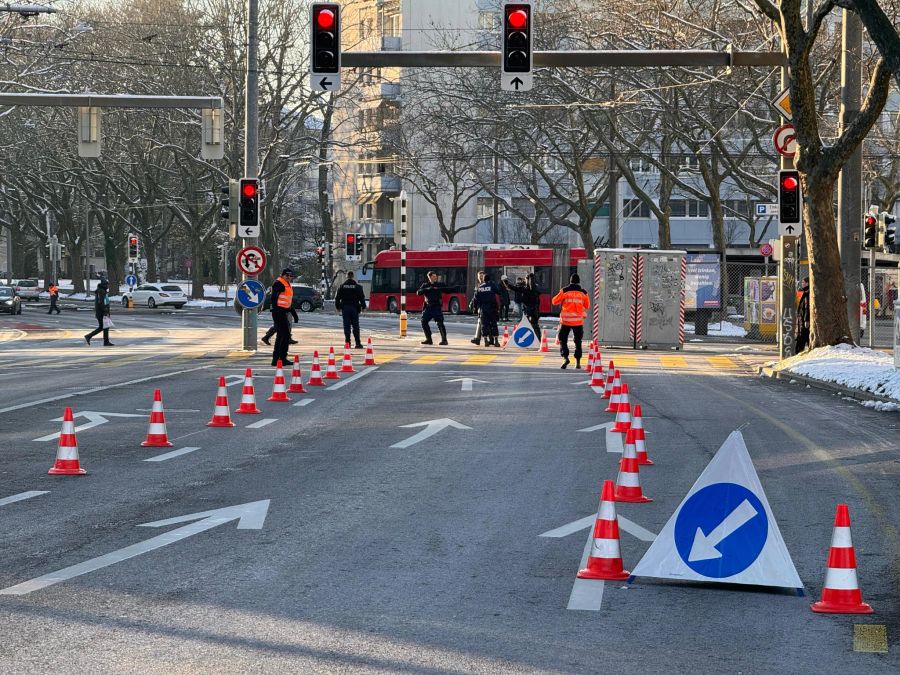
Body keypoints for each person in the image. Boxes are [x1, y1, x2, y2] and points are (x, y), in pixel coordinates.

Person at [551, 273, 590, 369]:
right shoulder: (583, 293)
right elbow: (587, 306)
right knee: (578, 341)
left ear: (570, 281)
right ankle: (578, 362)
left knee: (562, 339)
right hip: (578, 321)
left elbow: (554, 301)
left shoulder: (564, 291)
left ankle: (565, 358)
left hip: (566, 321)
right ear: (579, 281)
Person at [270, 268, 298, 367]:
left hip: (283, 312)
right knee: (284, 335)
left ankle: (277, 359)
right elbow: (274, 297)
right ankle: (281, 358)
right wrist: (276, 308)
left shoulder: (286, 284)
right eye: (287, 275)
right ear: (283, 275)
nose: (289, 277)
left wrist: (294, 314)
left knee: (281, 336)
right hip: (279, 312)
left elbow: (288, 302)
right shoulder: (279, 283)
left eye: (290, 276)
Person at [335, 271, 366, 348]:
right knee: (355, 326)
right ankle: (358, 343)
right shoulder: (358, 287)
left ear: (347, 276)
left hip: (345, 308)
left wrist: (338, 307)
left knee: (346, 326)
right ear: (352, 277)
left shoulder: (342, 286)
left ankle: (347, 343)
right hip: (354, 308)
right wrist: (363, 306)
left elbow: (337, 298)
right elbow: (362, 298)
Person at [416, 270, 448, 345]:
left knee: (440, 323)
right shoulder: (425, 285)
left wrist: (441, 288)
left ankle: (444, 340)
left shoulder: (439, 284)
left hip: (436, 306)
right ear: (429, 277)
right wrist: (427, 289)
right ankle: (429, 339)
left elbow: (447, 290)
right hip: (428, 307)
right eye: (433, 276)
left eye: (435, 276)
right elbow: (418, 292)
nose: (435, 277)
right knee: (424, 322)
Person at [471, 271, 501, 347]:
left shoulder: (479, 288)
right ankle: (496, 341)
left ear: (483, 280)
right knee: (494, 324)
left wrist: (474, 308)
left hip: (483, 309)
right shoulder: (492, 285)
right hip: (492, 308)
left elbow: (475, 300)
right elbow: (498, 292)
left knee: (484, 325)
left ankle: (485, 341)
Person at [84, 272, 114, 346]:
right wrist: (105, 311)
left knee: (103, 327)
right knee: (104, 327)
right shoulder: (101, 292)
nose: (108, 286)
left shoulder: (101, 291)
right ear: (104, 285)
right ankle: (90, 336)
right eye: (107, 285)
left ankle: (104, 341)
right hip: (102, 313)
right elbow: (101, 303)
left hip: (101, 312)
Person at [520, 272, 542, 340]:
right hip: (535, 310)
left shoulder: (525, 289)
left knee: (527, 326)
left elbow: (523, 299)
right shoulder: (536, 287)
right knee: (535, 326)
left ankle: (528, 340)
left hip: (528, 311)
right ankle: (538, 339)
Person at [795, 277, 810, 352]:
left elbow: (807, 307)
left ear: (807, 283)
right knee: (803, 337)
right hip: (802, 319)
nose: (802, 284)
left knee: (802, 337)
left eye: (803, 282)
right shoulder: (804, 292)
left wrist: (806, 319)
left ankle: (798, 351)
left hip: (804, 320)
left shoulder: (807, 293)